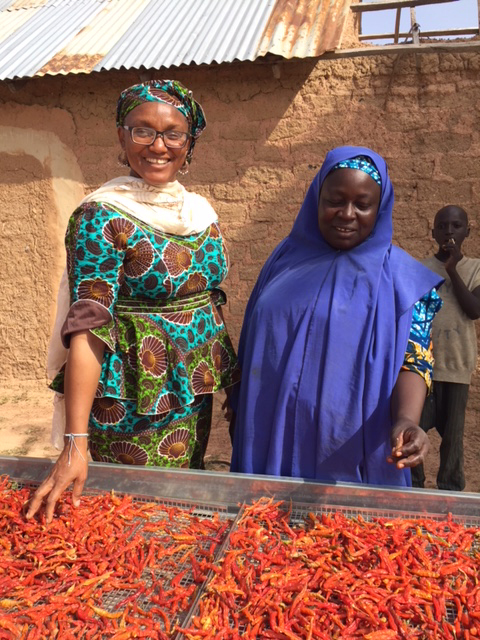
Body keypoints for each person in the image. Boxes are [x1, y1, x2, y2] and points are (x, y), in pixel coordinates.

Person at [27, 80, 238, 522]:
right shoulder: (102, 215)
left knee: (180, 503)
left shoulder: (199, 211)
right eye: (142, 131)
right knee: (126, 514)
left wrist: (233, 385)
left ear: (189, 141)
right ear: (121, 137)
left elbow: (207, 301)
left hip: (189, 391)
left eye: (172, 133)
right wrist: (74, 442)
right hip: (129, 399)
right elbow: (89, 323)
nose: (157, 146)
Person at [230, 146, 443, 487]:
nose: (347, 213)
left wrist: (406, 420)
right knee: (266, 532)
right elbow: (255, 337)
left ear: (380, 207)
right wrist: (239, 396)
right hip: (271, 443)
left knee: (345, 537)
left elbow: (414, 360)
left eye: (362, 204)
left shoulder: (402, 281)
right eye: (335, 200)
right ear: (316, 199)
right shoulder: (283, 262)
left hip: (352, 453)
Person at [411, 205, 480, 491]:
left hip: (456, 366)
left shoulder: (476, 268)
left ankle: (450, 493)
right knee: (413, 427)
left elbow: (474, 310)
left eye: (456, 226)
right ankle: (412, 487)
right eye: (442, 226)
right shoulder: (421, 269)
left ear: (467, 231)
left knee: (453, 438)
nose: (449, 232)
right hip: (422, 367)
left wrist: (451, 269)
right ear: (433, 232)